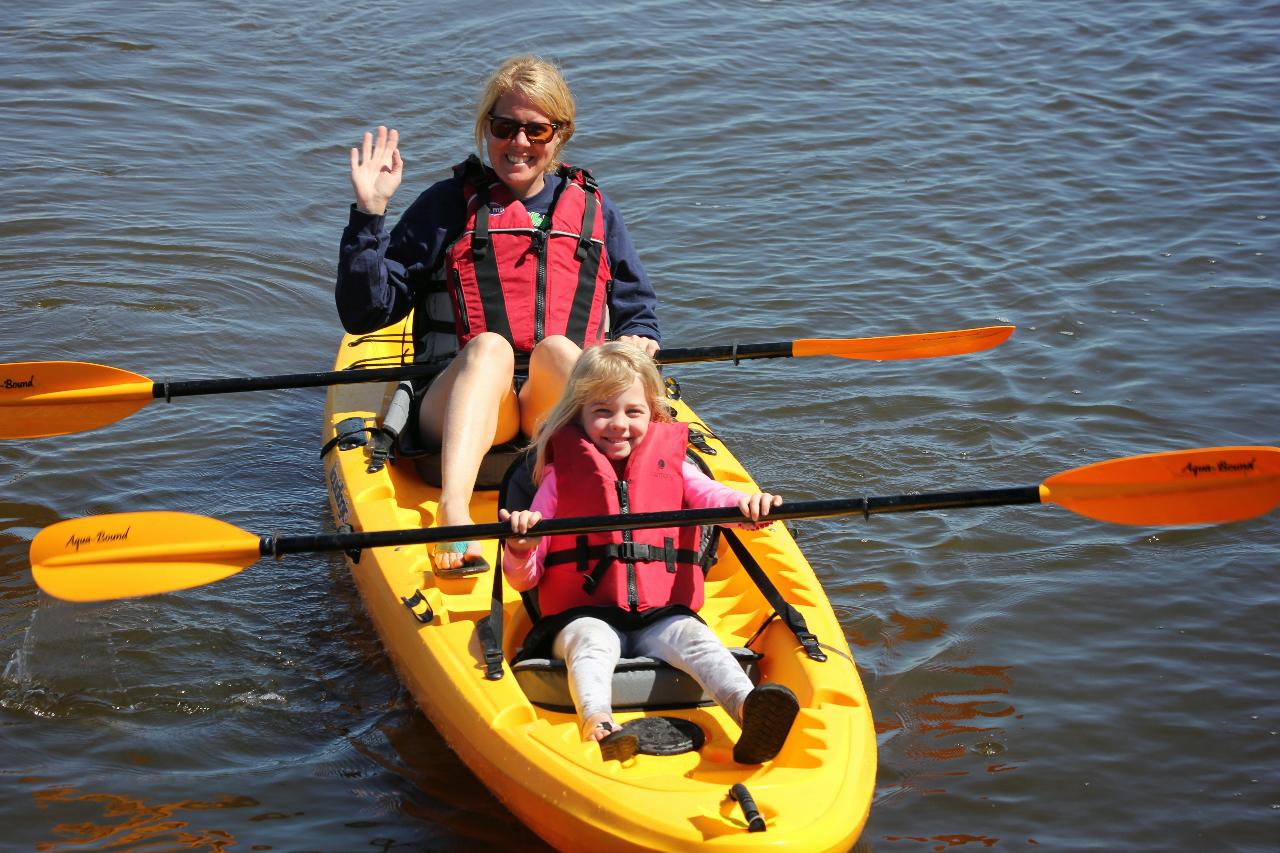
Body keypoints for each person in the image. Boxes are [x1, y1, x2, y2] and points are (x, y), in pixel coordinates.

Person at [337, 55, 661, 573]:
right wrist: (369, 215)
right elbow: (367, 314)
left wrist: (640, 337)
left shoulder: (597, 211)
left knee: (559, 350)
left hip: (547, 413)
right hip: (457, 407)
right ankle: (453, 512)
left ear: (560, 135)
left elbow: (636, 306)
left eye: (536, 130)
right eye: (504, 127)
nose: (519, 143)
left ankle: (601, 505)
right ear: (486, 128)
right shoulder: (447, 204)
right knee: (490, 347)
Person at [498, 342, 801, 764]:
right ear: (579, 415)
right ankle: (600, 724)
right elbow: (522, 580)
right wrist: (521, 546)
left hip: (662, 615)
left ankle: (751, 711)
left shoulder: (677, 467)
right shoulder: (556, 478)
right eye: (602, 411)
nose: (618, 424)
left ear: (653, 413)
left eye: (632, 412)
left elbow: (715, 499)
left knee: (699, 642)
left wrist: (746, 508)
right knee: (592, 646)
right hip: (581, 615)